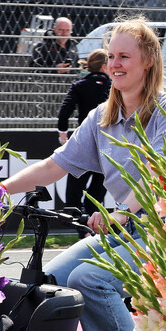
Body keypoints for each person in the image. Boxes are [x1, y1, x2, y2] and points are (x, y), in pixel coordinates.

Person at [1, 16, 166, 331]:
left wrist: (124, 211)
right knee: (49, 282)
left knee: (90, 279)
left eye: (125, 57)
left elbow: (162, 176)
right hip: (124, 229)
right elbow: (56, 165)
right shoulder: (102, 117)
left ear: (149, 61)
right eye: (112, 57)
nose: (115, 65)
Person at [56, 49, 112, 217]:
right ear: (104, 67)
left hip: (83, 142)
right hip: (106, 145)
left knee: (73, 193)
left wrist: (63, 137)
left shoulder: (79, 86)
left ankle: (79, 229)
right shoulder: (114, 88)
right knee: (96, 195)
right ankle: (93, 228)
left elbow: (64, 112)